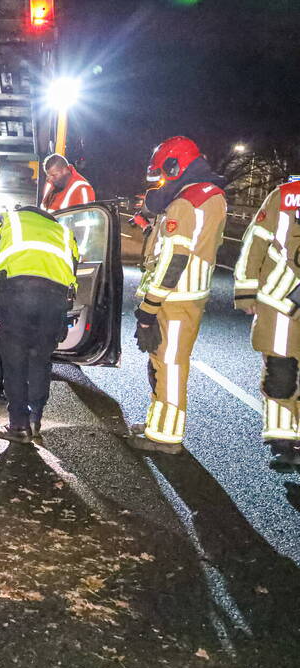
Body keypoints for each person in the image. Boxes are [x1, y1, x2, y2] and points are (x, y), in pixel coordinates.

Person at [129, 136, 227, 454]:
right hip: (187, 295)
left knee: (169, 363)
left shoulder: (186, 201)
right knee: (163, 360)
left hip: (174, 297)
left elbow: (174, 260)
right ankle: (158, 425)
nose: (160, 180)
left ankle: (166, 436)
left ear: (175, 166)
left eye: (162, 172)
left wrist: (149, 306)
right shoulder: (208, 195)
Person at [0, 206, 79, 444]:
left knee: (15, 361)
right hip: (54, 301)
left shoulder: (3, 221)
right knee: (40, 359)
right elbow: (73, 272)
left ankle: (18, 425)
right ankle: (35, 420)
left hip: (15, 296)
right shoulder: (65, 232)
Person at [234, 180, 300, 471]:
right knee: (281, 374)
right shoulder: (285, 196)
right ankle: (282, 441)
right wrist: (246, 291)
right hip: (280, 302)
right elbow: (255, 241)